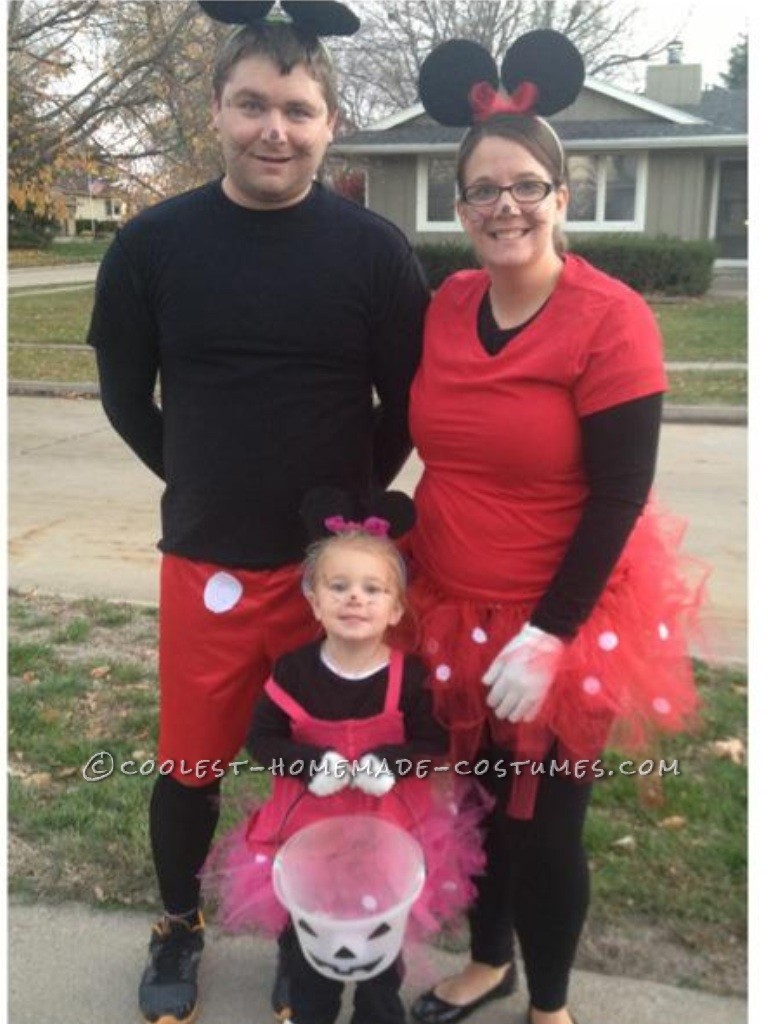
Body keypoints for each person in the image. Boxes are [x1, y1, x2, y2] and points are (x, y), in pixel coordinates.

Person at [86, 3, 430, 1021]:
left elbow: (406, 401)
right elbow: (122, 396)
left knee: (337, 765)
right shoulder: (150, 247)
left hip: (332, 582)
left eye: (297, 109)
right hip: (207, 563)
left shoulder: (372, 252)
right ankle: (179, 922)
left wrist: (346, 519)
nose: (272, 130)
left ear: (329, 123)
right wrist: (197, 475)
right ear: (217, 111)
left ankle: (311, 929)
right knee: (190, 766)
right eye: (251, 106)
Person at [405, 31, 704, 1024]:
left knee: (547, 827)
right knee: (480, 802)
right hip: (450, 601)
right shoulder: (446, 304)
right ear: (459, 208)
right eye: (482, 190)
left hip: (565, 618)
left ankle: (554, 1005)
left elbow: (620, 494)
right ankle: (489, 964)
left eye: (526, 186)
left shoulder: (611, 320)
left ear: (563, 196)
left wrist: (549, 634)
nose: (504, 207)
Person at [203, 495, 486, 1024]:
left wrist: (394, 762)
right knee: (310, 965)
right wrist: (308, 763)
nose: (355, 599)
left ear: (396, 607)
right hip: (309, 841)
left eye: (372, 589)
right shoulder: (294, 673)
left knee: (380, 964)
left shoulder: (412, 677)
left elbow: (433, 744)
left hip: (387, 840)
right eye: (339, 587)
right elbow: (260, 738)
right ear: (313, 600)